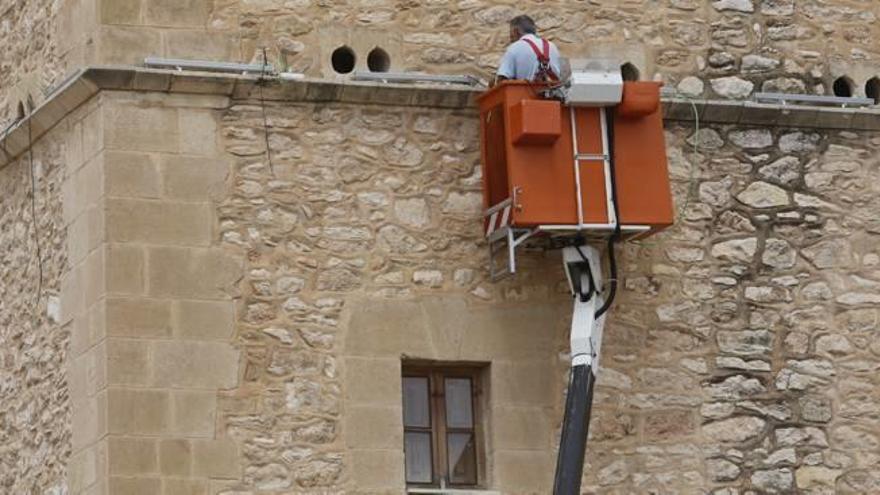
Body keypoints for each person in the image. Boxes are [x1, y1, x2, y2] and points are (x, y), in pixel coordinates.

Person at [495, 15, 562, 85]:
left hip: (524, 95)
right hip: (553, 94)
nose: (510, 39)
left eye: (510, 34)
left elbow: (502, 80)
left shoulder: (514, 48)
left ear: (516, 31)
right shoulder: (552, 46)